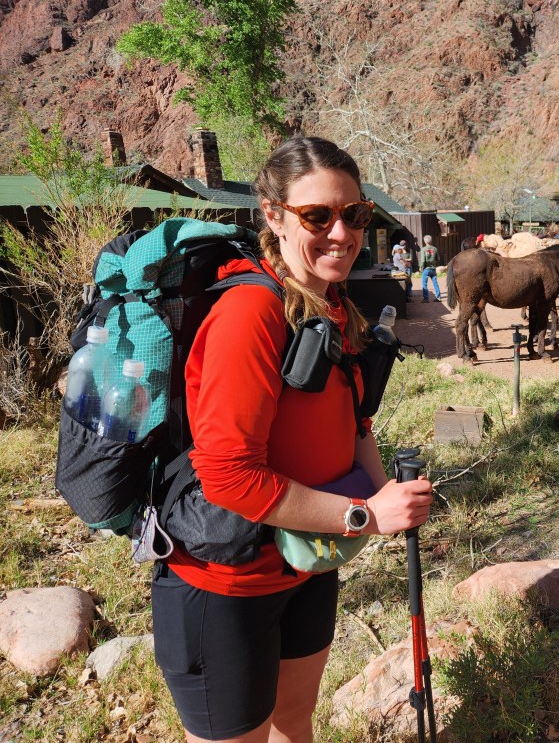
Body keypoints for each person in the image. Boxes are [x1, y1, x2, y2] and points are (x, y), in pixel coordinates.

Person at [151, 136, 434, 743]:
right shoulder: (250, 314)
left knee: (295, 722)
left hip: (306, 562)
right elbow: (229, 477)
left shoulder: (330, 305)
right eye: (317, 216)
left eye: (354, 214)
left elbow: (355, 421)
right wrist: (364, 515)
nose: (342, 233)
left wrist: (386, 498)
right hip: (227, 584)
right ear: (274, 216)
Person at [419, 234, 441, 302]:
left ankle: (426, 299)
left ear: (424, 241)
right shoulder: (435, 249)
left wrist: (420, 267)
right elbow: (438, 259)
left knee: (424, 284)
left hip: (426, 269)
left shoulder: (423, 249)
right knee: (435, 283)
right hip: (433, 269)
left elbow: (423, 260)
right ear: (431, 241)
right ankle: (438, 297)